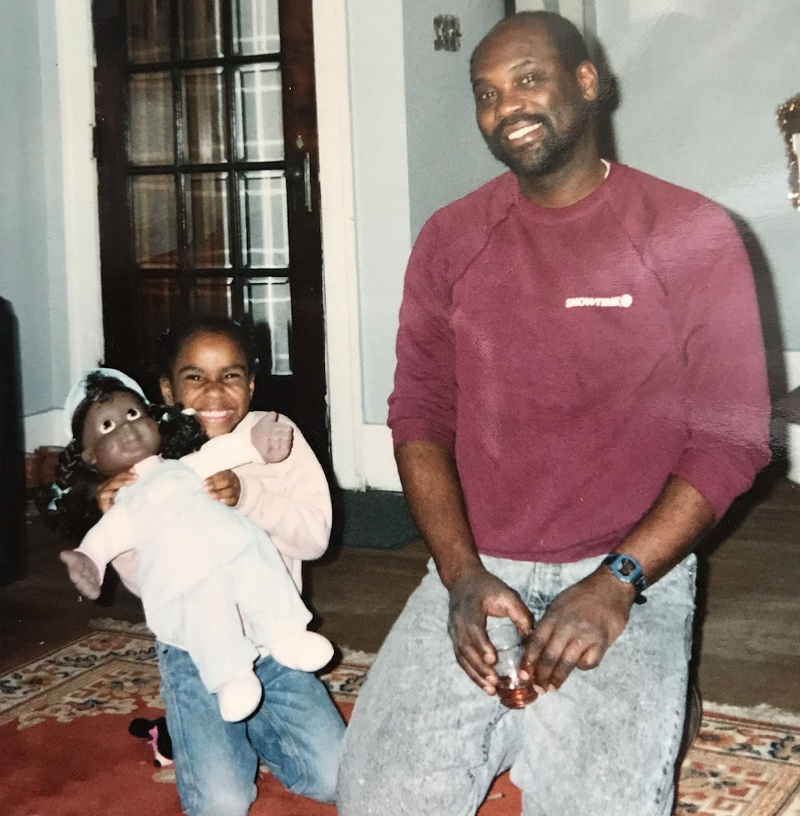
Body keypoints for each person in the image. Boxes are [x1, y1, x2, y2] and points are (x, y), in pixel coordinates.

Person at [337, 11, 771, 816]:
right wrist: (459, 572)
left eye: (528, 79)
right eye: (486, 94)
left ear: (587, 83)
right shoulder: (450, 238)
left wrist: (619, 582)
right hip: (480, 564)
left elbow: (731, 437)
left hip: (628, 571)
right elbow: (420, 412)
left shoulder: (691, 232)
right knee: (372, 801)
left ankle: (652, 686)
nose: (507, 107)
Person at [92, 317, 344, 815]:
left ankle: (248, 720)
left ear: (251, 382)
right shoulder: (145, 460)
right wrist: (118, 528)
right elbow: (151, 586)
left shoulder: (276, 437)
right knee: (222, 803)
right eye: (194, 377)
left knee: (336, 777)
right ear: (166, 388)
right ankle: (188, 723)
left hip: (275, 644)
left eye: (230, 375)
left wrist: (248, 496)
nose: (214, 393)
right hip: (197, 653)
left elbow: (314, 540)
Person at [58, 369, 334, 724]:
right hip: (194, 583)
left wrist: (257, 444)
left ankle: (287, 636)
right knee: (208, 614)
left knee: (262, 573)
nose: (127, 429)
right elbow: (103, 542)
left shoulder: (184, 466)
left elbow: (225, 451)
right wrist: (88, 561)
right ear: (90, 457)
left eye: (132, 415)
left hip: (240, 550)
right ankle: (231, 677)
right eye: (107, 427)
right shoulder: (124, 508)